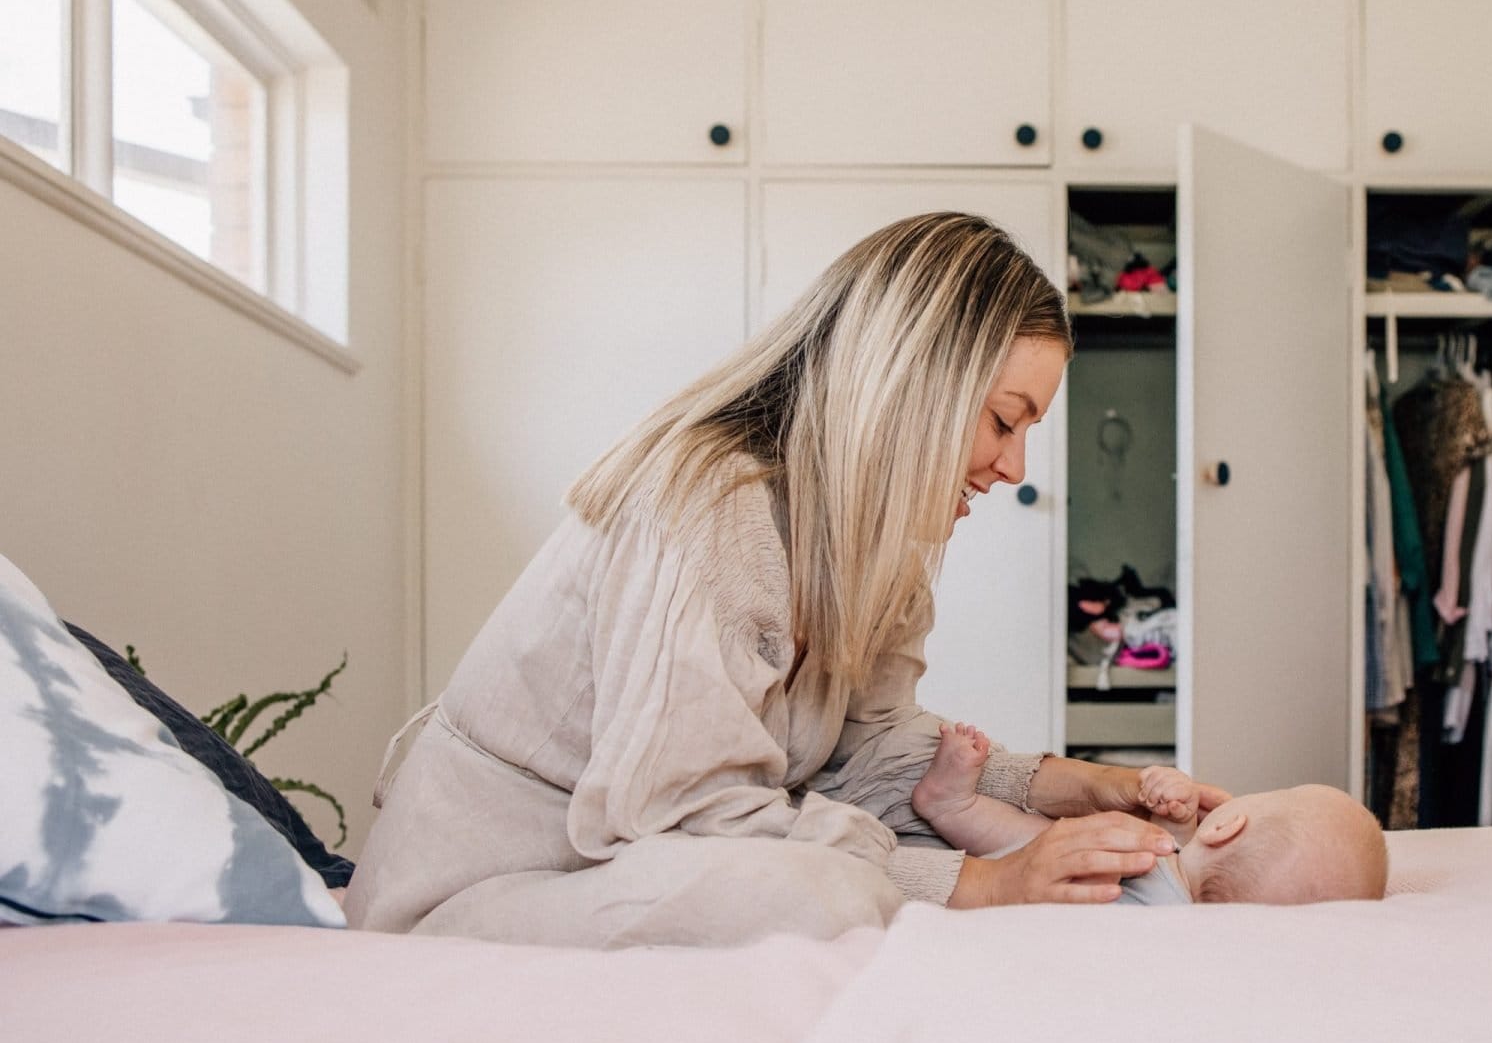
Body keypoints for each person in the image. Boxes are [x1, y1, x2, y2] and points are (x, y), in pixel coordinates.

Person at [346, 213, 1230, 948]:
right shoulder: (708, 500)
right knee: (812, 894)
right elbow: (683, 812)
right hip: (487, 893)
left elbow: (872, 753)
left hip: (619, 868)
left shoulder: (876, 541)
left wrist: (1086, 788)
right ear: (908, 386)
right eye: (1004, 421)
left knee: (886, 849)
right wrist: (983, 884)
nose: (1013, 466)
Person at [912, 722, 1388, 907]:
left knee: (1032, 838)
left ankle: (952, 804)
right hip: (1099, 883)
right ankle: (954, 805)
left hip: (1061, 876)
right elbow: (1175, 858)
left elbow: (1163, 857)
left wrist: (1171, 802)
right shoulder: (1180, 897)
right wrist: (1178, 816)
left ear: (1223, 827)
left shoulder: (1147, 866)